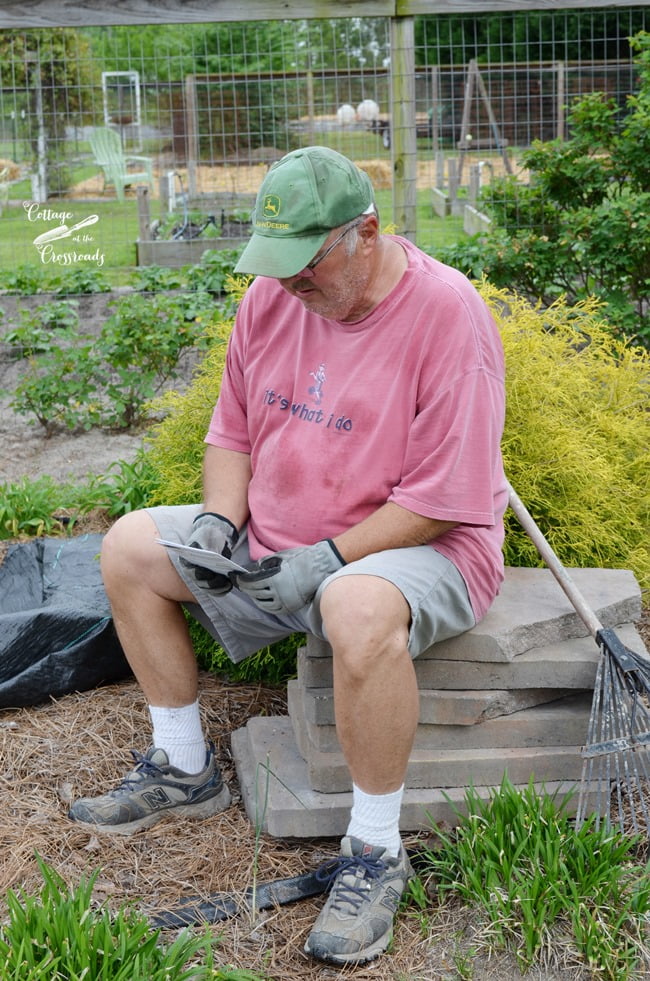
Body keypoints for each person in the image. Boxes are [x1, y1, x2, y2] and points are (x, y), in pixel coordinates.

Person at [69, 146, 507, 967]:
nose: (289, 287)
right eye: (277, 268)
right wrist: (214, 521)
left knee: (355, 603)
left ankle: (375, 851)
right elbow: (232, 432)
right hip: (282, 542)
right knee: (131, 545)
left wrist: (330, 556)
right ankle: (184, 768)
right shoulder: (272, 299)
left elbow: (441, 497)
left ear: (366, 233)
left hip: (427, 545)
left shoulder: (448, 314)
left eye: (306, 267)